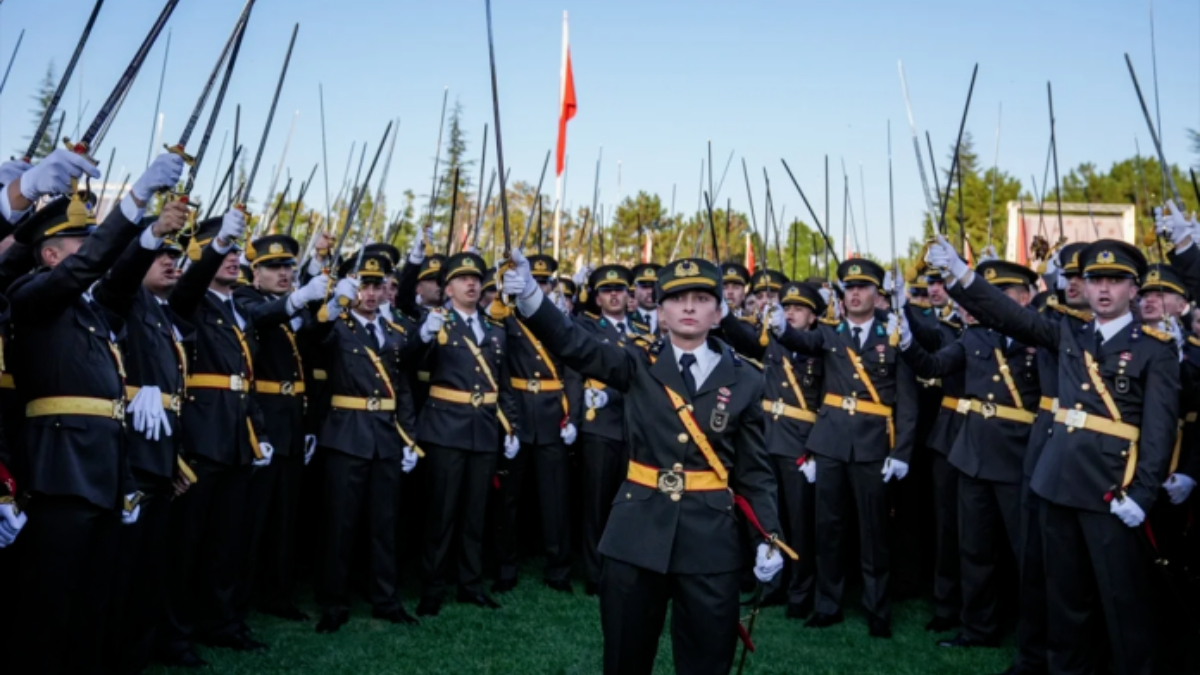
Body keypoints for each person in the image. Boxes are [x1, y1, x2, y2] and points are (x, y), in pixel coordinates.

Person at [503, 252, 787, 675]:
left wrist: (769, 534)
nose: (688, 306)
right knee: (625, 659)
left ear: (718, 312)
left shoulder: (745, 377)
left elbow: (754, 471)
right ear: (661, 312)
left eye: (700, 297)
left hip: (711, 540)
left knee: (707, 661)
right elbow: (574, 344)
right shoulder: (636, 361)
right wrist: (530, 297)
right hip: (636, 533)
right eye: (676, 299)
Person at [929, 236, 1178, 675]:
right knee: (1064, 598)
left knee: (1121, 598)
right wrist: (962, 275)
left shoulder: (1154, 348)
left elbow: (1158, 432)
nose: (1103, 289)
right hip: (1057, 481)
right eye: (1095, 279)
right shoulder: (1068, 330)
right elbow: (1009, 316)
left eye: (1115, 281)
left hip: (1111, 489)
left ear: (1133, 290)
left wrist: (1142, 494)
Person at [7, 150, 184, 672]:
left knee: (93, 604)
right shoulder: (32, 296)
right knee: (52, 607)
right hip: (60, 470)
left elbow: (120, 278)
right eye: (81, 246)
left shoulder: (90, 309)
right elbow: (93, 265)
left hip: (104, 472)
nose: (93, 255)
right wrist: (131, 203)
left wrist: (148, 236)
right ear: (52, 256)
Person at [768, 257, 918, 638]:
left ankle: (877, 610)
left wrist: (901, 453)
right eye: (848, 288)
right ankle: (827, 605)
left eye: (863, 287)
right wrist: (781, 327)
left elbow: (907, 401)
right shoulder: (830, 333)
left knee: (874, 534)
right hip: (831, 443)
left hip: (872, 447)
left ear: (876, 294)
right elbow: (801, 339)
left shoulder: (894, 334)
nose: (855, 293)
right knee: (828, 531)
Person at [899, 260, 1041, 649]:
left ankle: (1034, 638)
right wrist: (907, 340)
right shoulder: (975, 337)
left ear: (1025, 299)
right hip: (973, 454)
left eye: (1003, 296)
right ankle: (978, 627)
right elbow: (935, 364)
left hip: (1019, 456)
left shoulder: (1040, 339)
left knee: (1026, 553)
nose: (992, 304)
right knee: (973, 548)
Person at [161, 210, 274, 662]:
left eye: (232, 250)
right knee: (187, 544)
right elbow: (188, 286)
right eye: (219, 250)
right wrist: (214, 248)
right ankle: (175, 633)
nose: (230, 258)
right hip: (201, 437)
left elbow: (246, 380)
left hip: (236, 436)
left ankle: (221, 621)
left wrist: (258, 432)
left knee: (227, 542)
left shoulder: (238, 309)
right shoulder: (187, 299)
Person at [98, 211, 194, 674]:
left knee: (150, 565)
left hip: (159, 453)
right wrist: (148, 236)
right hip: (128, 454)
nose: (171, 262)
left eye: (177, 255)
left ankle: (139, 650)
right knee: (123, 567)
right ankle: (118, 653)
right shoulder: (124, 297)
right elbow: (116, 283)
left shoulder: (161, 312)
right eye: (161, 255)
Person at [313, 250, 423, 633]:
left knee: (384, 525)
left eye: (378, 286)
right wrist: (329, 301)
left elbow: (403, 389)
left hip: (385, 437)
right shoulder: (336, 326)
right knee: (340, 525)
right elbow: (312, 339)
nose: (372, 294)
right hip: (346, 434)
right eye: (365, 285)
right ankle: (333, 602)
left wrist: (409, 437)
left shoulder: (395, 334)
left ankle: (386, 600)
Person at [414, 251, 519, 616]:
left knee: (476, 514)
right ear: (448, 288)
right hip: (445, 428)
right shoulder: (437, 324)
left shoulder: (494, 329)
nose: (472, 284)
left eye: (476, 279)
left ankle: (470, 584)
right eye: (462, 279)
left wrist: (511, 426)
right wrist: (423, 336)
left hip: (484, 430)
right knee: (441, 514)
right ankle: (433, 587)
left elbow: (504, 385)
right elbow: (409, 364)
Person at [719, 281, 826, 619]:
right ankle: (772, 585)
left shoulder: (822, 347)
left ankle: (800, 592)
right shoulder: (773, 341)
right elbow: (745, 342)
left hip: (800, 444)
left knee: (799, 524)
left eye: (798, 309)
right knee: (769, 521)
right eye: (788, 307)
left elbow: (828, 402)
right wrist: (723, 313)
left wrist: (815, 448)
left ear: (812, 317)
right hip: (768, 438)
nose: (790, 313)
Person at [233, 234, 323, 626]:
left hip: (291, 420)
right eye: (273, 268)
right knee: (251, 520)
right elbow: (263, 317)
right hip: (262, 422)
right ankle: (239, 596)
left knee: (284, 519)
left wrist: (326, 306)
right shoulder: (245, 300)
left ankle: (277, 593)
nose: (283, 273)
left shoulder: (288, 310)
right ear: (255, 274)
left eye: (288, 267)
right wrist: (299, 301)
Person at [493, 253, 580, 593]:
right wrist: (507, 420)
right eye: (536, 281)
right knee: (508, 499)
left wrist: (573, 417)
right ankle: (505, 567)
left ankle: (558, 569)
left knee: (555, 499)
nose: (540, 287)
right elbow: (498, 371)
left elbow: (572, 371)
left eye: (545, 283)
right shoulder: (505, 318)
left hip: (552, 416)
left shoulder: (556, 320)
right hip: (516, 413)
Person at [574, 264, 639, 596]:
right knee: (596, 504)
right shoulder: (587, 326)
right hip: (600, 423)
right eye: (607, 290)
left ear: (629, 295)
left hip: (634, 426)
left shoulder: (641, 329)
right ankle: (595, 572)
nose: (615, 295)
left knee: (628, 504)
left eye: (620, 290)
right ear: (596, 297)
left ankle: (622, 567)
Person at [630, 262, 661, 333]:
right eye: (645, 287)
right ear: (635, 289)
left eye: (654, 287)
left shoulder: (669, 318)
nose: (650, 291)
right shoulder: (625, 318)